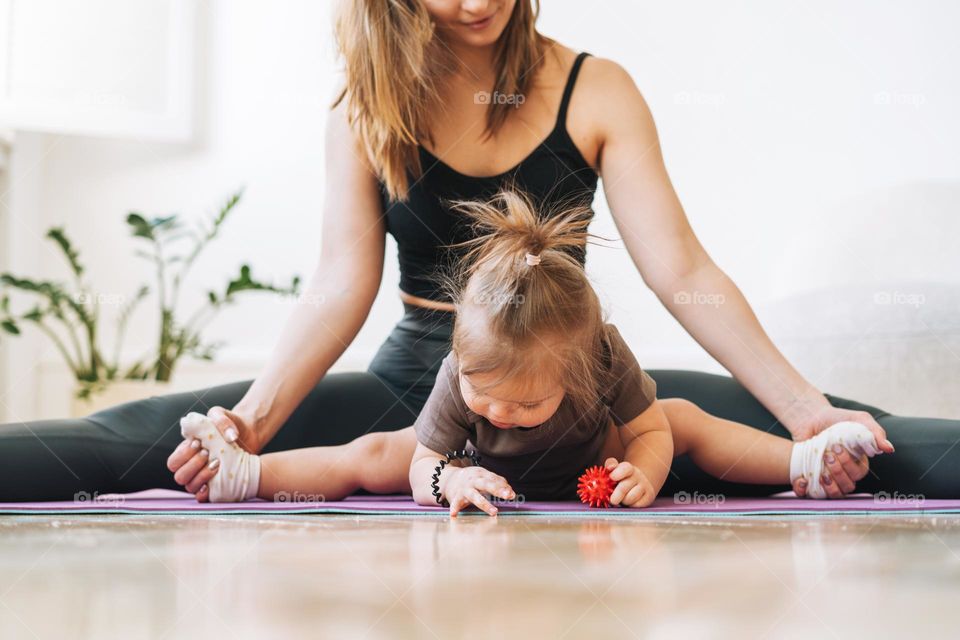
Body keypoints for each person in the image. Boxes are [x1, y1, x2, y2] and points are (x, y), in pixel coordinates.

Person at [0, 0, 954, 502]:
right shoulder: (365, 108)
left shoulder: (597, 89)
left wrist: (805, 411)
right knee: (157, 441)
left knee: (846, 435)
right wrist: (249, 423)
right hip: (418, 385)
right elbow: (341, 284)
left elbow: (684, 274)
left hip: (575, 381)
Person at [173, 190, 883, 516]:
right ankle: (249, 475)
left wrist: (643, 470)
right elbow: (427, 459)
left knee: (685, 413)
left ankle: (806, 465)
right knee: (374, 454)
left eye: (527, 402)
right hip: (480, 474)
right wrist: (448, 482)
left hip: (588, 462)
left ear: (580, 372)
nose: (502, 412)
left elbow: (651, 430)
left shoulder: (603, 354)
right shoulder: (460, 376)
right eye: (488, 394)